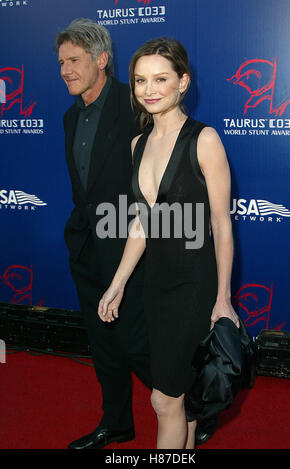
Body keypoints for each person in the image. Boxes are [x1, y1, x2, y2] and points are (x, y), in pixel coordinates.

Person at [98, 37, 240, 449]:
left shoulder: (205, 139)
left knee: (164, 400)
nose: (149, 89)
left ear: (183, 82)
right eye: (140, 81)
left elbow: (221, 224)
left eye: (161, 78)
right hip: (155, 286)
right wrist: (119, 282)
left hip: (194, 284)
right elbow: (144, 223)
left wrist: (223, 298)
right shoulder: (137, 144)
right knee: (181, 403)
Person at [55, 18, 153, 450]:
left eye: (74, 60)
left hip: (130, 242)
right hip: (87, 243)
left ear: (101, 59)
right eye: (61, 62)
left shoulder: (135, 105)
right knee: (102, 342)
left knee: (137, 341)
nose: (65, 70)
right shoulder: (67, 118)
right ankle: (117, 423)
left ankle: (193, 400)